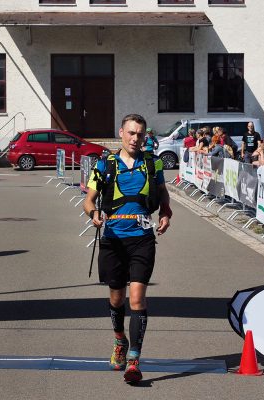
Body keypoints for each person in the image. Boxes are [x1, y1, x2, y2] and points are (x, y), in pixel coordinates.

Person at [83, 113, 172, 384]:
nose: (135, 138)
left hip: (142, 237)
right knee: (116, 300)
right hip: (113, 239)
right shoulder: (105, 164)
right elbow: (89, 200)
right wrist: (93, 215)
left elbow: (163, 192)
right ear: (121, 132)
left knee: (137, 300)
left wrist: (166, 212)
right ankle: (120, 340)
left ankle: (133, 361)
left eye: (140, 134)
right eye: (131, 133)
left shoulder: (152, 163)